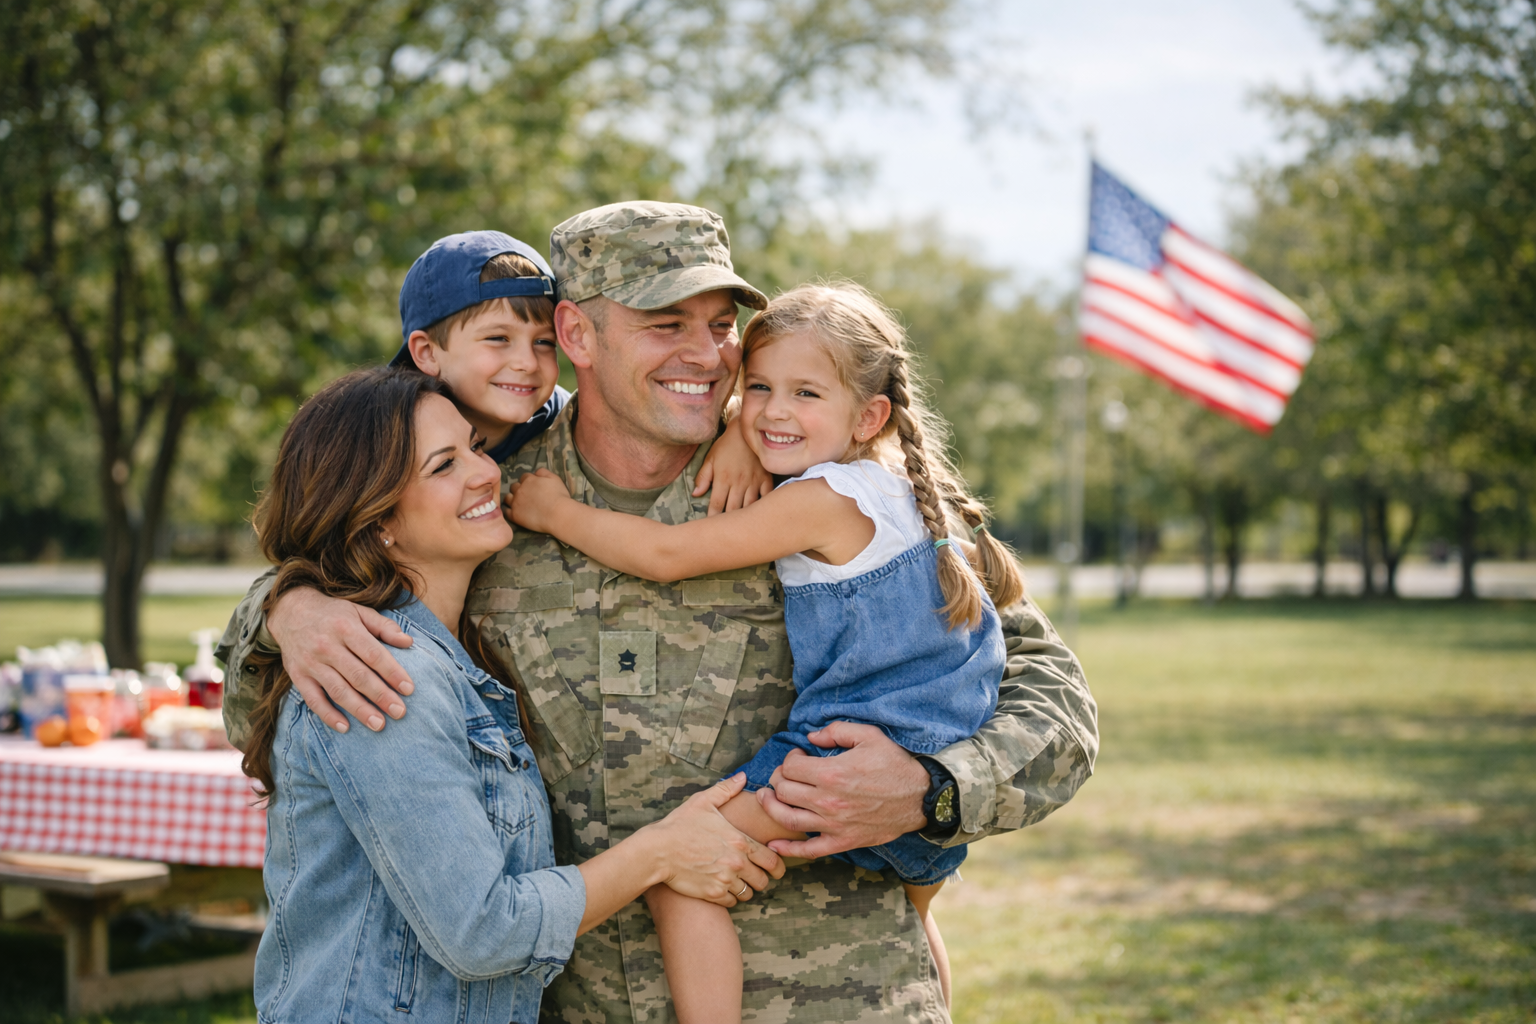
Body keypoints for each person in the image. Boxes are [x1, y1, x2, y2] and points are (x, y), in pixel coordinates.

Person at [219, 201, 1099, 1024]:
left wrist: (934, 790)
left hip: (830, 997)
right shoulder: (487, 501)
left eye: (722, 327)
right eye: (663, 324)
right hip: (576, 1001)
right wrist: (287, 608)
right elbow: (288, 677)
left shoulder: (821, 482)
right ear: (577, 334)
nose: (707, 355)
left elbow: (1052, 698)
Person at [508, 281, 1027, 1020]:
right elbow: (790, 415)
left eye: (805, 394)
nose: (776, 412)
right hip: (937, 754)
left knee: (679, 871)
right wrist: (732, 430)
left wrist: (555, 511)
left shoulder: (817, 500)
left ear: (869, 415)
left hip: (844, 758)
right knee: (913, 923)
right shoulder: (913, 490)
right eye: (759, 389)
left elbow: (665, 554)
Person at [240, 366, 783, 1023]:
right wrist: (664, 850)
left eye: (474, 445)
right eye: (444, 466)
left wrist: (734, 425)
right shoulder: (382, 676)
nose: (483, 472)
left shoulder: (450, 655)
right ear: (377, 521)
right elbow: (481, 931)